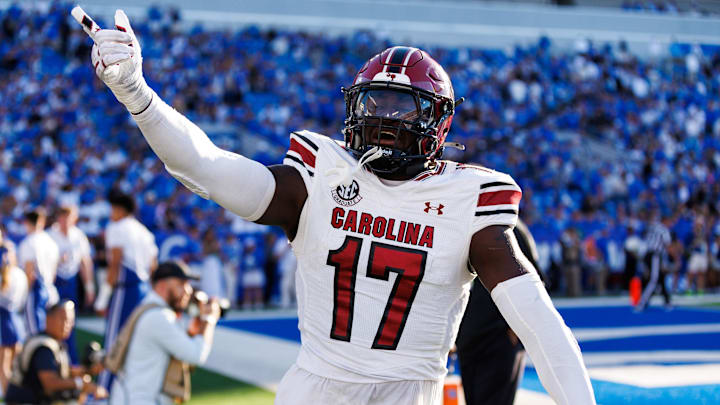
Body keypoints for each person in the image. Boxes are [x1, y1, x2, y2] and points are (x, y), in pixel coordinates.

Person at [73, 9, 595, 405]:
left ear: (439, 124)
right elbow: (208, 168)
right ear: (352, 106)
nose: (386, 120)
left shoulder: (468, 200)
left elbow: (539, 322)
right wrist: (137, 94)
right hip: (316, 387)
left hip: (405, 392)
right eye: (375, 103)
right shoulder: (320, 176)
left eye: (403, 107)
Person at [107, 261, 219, 405]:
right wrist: (209, 319)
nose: (188, 290)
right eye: (181, 283)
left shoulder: (152, 309)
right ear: (162, 285)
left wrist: (193, 331)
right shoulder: (159, 317)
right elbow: (196, 355)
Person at [455, 219, 542, 405]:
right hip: (468, 337)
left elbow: (535, 283)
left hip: (499, 337)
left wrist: (517, 328)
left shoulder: (512, 228)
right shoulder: (461, 222)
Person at [94, 190, 158, 393]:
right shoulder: (144, 231)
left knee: (114, 341)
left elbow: (115, 265)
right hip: (144, 288)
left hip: (125, 289)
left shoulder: (117, 228)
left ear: (120, 209)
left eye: (113, 208)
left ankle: (105, 389)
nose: (111, 213)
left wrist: (102, 300)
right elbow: (153, 265)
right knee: (137, 341)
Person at [4, 300, 107, 404]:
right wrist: (81, 383)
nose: (67, 325)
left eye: (70, 321)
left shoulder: (55, 343)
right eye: (63, 319)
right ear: (48, 319)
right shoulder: (44, 346)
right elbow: (50, 383)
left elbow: (62, 372)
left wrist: (86, 371)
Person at [48, 205, 95, 364]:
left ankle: (69, 360)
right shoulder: (50, 235)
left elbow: (85, 262)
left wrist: (89, 287)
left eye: (69, 217)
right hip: (55, 281)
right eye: (63, 217)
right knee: (52, 319)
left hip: (71, 282)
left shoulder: (78, 236)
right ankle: (52, 358)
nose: (66, 221)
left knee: (70, 321)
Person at [18, 208, 60, 336]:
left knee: (35, 334)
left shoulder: (29, 242)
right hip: (51, 290)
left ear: (26, 222)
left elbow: (29, 273)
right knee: (50, 331)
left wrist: (22, 297)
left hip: (35, 292)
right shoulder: (51, 242)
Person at [0, 232, 27, 393]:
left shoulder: (8, 276)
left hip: (3, 322)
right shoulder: (19, 274)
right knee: (16, 365)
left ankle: (10, 397)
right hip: (16, 321)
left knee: (3, 365)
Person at [636, 213, 672, 311]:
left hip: (648, 254)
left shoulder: (654, 227)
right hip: (655, 255)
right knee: (654, 279)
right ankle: (642, 302)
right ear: (665, 221)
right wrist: (674, 258)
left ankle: (667, 301)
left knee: (661, 278)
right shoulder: (664, 230)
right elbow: (667, 245)